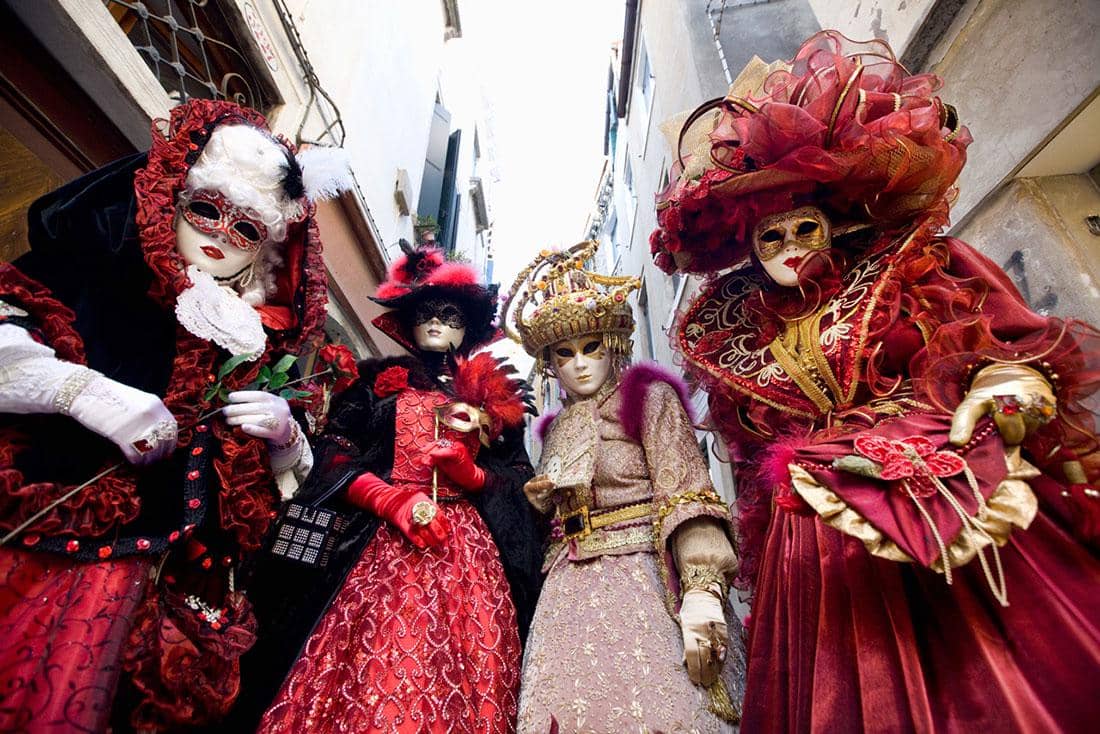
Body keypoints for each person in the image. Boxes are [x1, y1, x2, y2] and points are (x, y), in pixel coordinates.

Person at [650, 31, 1100, 732]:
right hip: (820, 548)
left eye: (805, 226)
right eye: (772, 237)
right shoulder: (731, 332)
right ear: (747, 246)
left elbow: (991, 338)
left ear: (833, 221)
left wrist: (997, 390)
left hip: (945, 482)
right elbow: (749, 465)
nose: (792, 248)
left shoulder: (905, 268)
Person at [0, 98, 350, 732]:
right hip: (50, 541)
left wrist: (283, 437)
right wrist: (86, 394)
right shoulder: (96, 270)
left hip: (175, 580)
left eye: (245, 228)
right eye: (207, 209)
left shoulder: (253, 339)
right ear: (176, 200)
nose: (220, 233)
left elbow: (275, 489)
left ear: (264, 248)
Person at [257, 242, 543, 734]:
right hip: (379, 540)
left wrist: (473, 476)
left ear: (468, 328)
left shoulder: (496, 395)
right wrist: (389, 498)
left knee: (475, 657)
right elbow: (333, 456)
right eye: (426, 313)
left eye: (449, 315)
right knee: (379, 652)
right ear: (408, 321)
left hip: (469, 549)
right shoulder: (372, 383)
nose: (436, 323)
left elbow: (519, 479)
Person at [502, 241, 744, 733]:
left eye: (591, 347)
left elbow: (687, 489)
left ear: (612, 345)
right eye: (565, 354)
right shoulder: (555, 428)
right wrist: (540, 504)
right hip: (568, 590)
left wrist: (702, 591)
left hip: (645, 578)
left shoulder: (647, 398)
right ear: (551, 364)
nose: (580, 364)